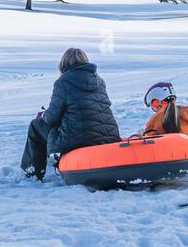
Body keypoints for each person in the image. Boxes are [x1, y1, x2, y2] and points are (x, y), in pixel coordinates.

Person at [21, 48, 120, 180]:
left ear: (64, 64)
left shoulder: (63, 83)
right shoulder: (100, 81)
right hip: (108, 136)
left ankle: (33, 172)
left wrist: (43, 115)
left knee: (35, 126)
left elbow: (51, 118)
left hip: (78, 139)